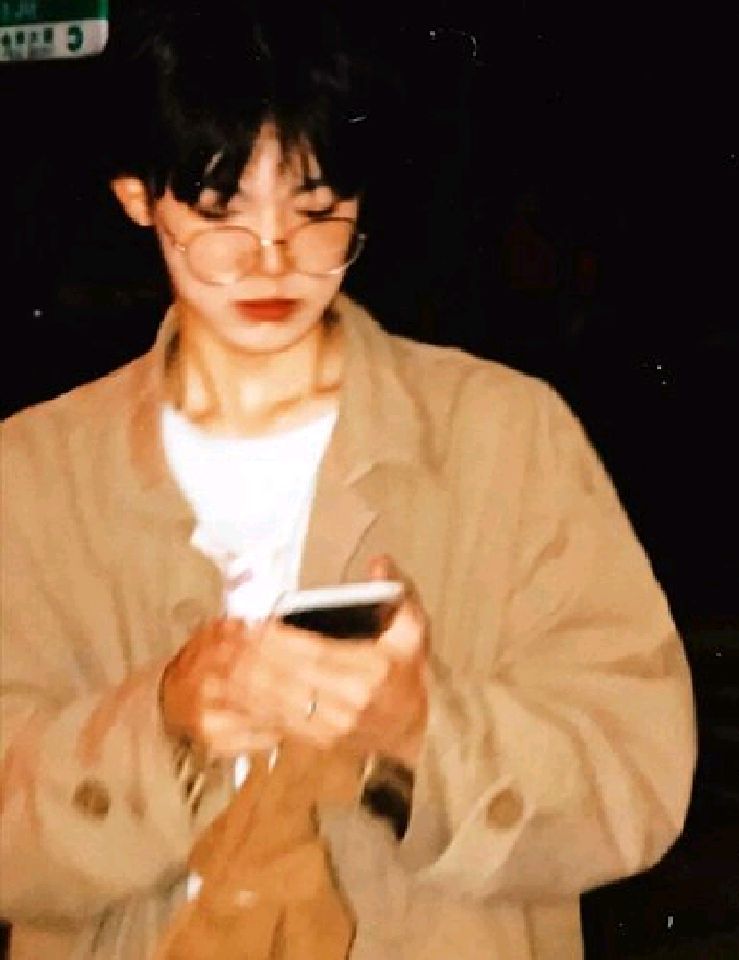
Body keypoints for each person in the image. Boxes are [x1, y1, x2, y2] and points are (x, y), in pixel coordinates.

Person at [0, 3, 696, 958]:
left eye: (317, 210)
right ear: (136, 196)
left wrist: (418, 735)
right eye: (220, 213)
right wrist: (162, 727)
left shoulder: (503, 437)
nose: (273, 258)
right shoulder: (33, 474)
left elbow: (639, 773)